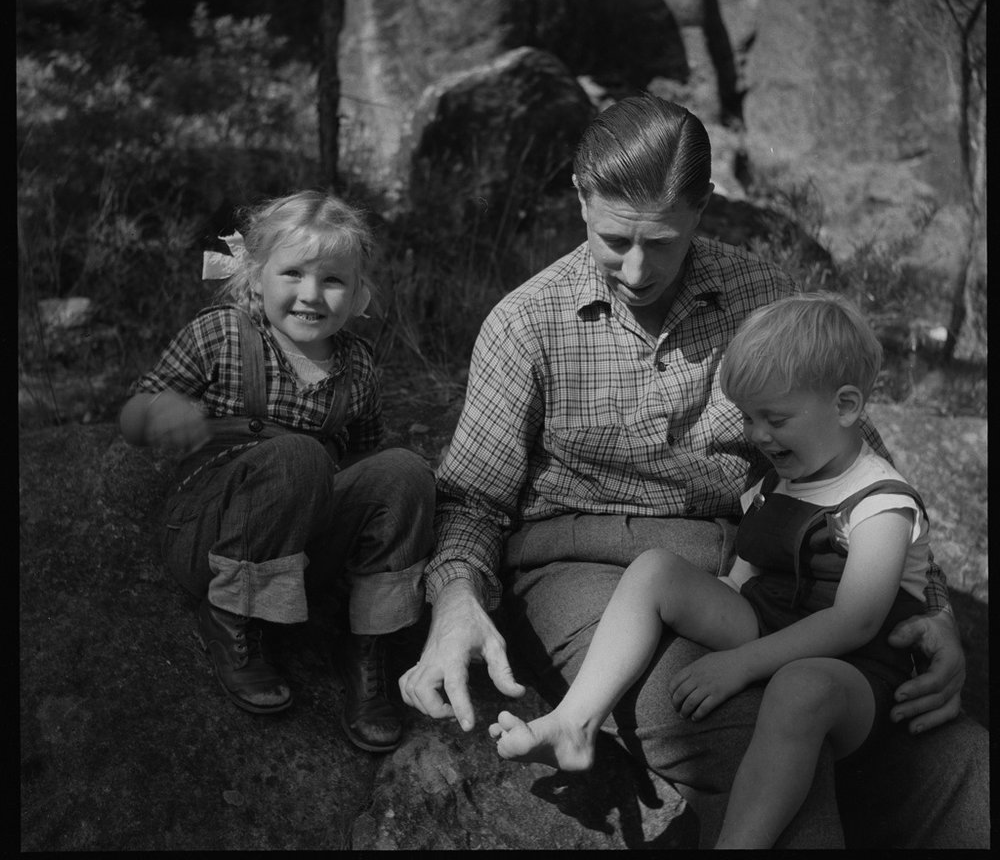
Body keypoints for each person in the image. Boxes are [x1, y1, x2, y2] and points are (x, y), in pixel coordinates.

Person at [399, 95, 988, 848]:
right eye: (616, 240)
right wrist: (455, 597)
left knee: (956, 755)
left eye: (665, 243)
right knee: (745, 737)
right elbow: (474, 498)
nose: (638, 269)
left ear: (704, 208)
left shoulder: (761, 298)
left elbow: (855, 462)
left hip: (757, 567)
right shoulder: (527, 324)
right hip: (586, 566)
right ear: (581, 194)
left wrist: (931, 608)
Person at [489, 292, 935, 848]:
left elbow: (857, 623)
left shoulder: (879, 502)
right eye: (749, 418)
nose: (758, 435)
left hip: (857, 673)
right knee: (655, 570)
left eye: (776, 418)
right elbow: (750, 566)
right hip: (772, 621)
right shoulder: (786, 476)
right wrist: (711, 602)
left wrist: (740, 663)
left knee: (799, 688)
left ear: (846, 407)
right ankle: (575, 721)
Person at [120, 190, 435, 753]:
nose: (311, 295)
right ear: (256, 276)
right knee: (299, 454)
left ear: (358, 290)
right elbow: (137, 407)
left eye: (333, 280)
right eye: (293, 273)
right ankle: (231, 618)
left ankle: (368, 641)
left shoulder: (358, 364)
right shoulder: (221, 333)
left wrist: (375, 501)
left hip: (303, 551)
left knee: (405, 471)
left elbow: (365, 461)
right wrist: (160, 414)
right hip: (214, 534)